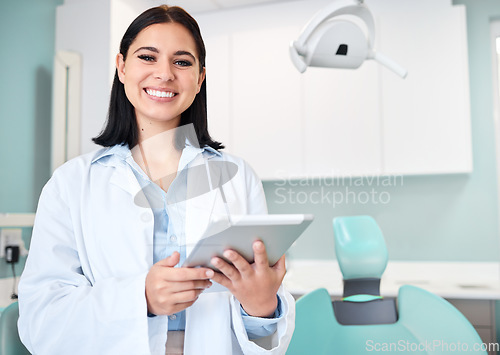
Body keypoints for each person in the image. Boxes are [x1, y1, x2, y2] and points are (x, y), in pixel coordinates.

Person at [17, 5, 295, 355]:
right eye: (148, 57)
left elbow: (266, 330)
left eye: (182, 62)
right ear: (121, 66)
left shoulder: (238, 180)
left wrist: (261, 306)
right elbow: (40, 321)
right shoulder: (70, 184)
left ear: (200, 78)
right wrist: (140, 298)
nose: (164, 74)